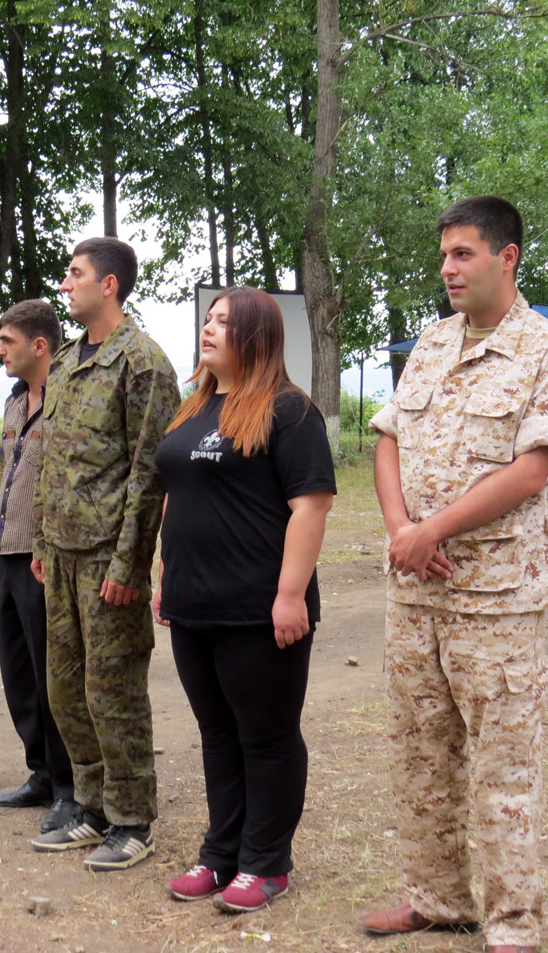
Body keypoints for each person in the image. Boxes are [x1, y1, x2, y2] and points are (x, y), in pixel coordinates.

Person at [363, 196, 548, 953]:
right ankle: (438, 898)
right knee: (420, 753)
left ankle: (512, 922)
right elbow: (387, 438)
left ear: (507, 256)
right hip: (415, 590)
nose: (448, 268)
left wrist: (432, 531)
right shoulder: (430, 341)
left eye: (464, 254)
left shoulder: (546, 351)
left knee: (502, 766)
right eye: (446, 255)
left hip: (495, 598)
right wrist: (401, 532)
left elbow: (530, 472)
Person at [153, 286, 335, 913]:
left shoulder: (290, 412)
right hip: (192, 602)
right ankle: (220, 854)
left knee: (267, 736)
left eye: (224, 322)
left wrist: (290, 596)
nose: (208, 329)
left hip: (259, 610)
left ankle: (266, 864)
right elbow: (179, 492)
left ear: (256, 336)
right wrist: (166, 572)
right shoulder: (194, 408)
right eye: (208, 319)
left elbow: (310, 507)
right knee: (217, 734)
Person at [30, 237, 180, 871]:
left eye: (75, 274)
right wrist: (41, 542)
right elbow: (51, 460)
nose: (66, 285)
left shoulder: (142, 363)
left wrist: (128, 566)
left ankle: (131, 818)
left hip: (105, 559)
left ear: (109, 284)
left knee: (112, 690)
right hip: (60, 553)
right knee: (66, 689)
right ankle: (89, 807)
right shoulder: (66, 362)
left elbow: (150, 474)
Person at [0, 300, 76, 833]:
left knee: (53, 679)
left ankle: (69, 786)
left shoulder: (67, 397)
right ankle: (40, 771)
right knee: (18, 673)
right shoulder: (15, 402)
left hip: (47, 557)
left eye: (7, 341)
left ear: (38, 346)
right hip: (8, 551)